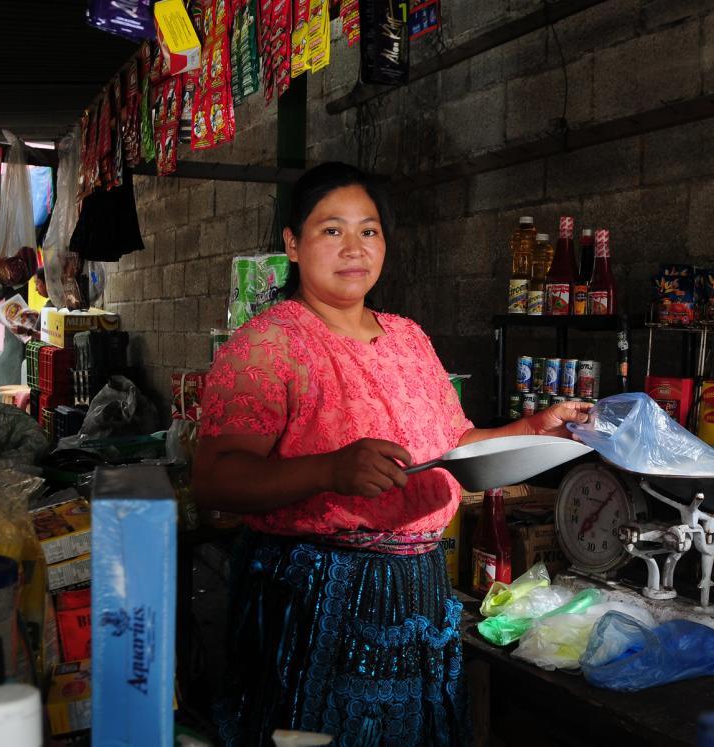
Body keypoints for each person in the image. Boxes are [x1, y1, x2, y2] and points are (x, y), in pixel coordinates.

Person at [193, 163, 591, 746]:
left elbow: (455, 447)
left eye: (369, 231)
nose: (354, 248)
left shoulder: (408, 337)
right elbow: (216, 480)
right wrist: (330, 469)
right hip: (314, 592)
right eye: (332, 230)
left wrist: (535, 428)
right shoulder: (269, 345)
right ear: (292, 245)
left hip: (418, 590)